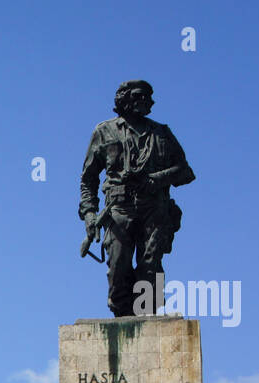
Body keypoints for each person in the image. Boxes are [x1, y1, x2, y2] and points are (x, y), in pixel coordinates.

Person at [79, 80, 196, 317]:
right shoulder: (104, 131)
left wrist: (158, 178)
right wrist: (90, 214)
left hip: (154, 208)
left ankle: (147, 316)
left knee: (150, 267)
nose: (144, 101)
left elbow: (185, 172)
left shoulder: (162, 133)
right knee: (118, 269)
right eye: (138, 96)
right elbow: (88, 179)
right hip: (118, 209)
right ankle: (123, 318)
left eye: (148, 97)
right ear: (123, 99)